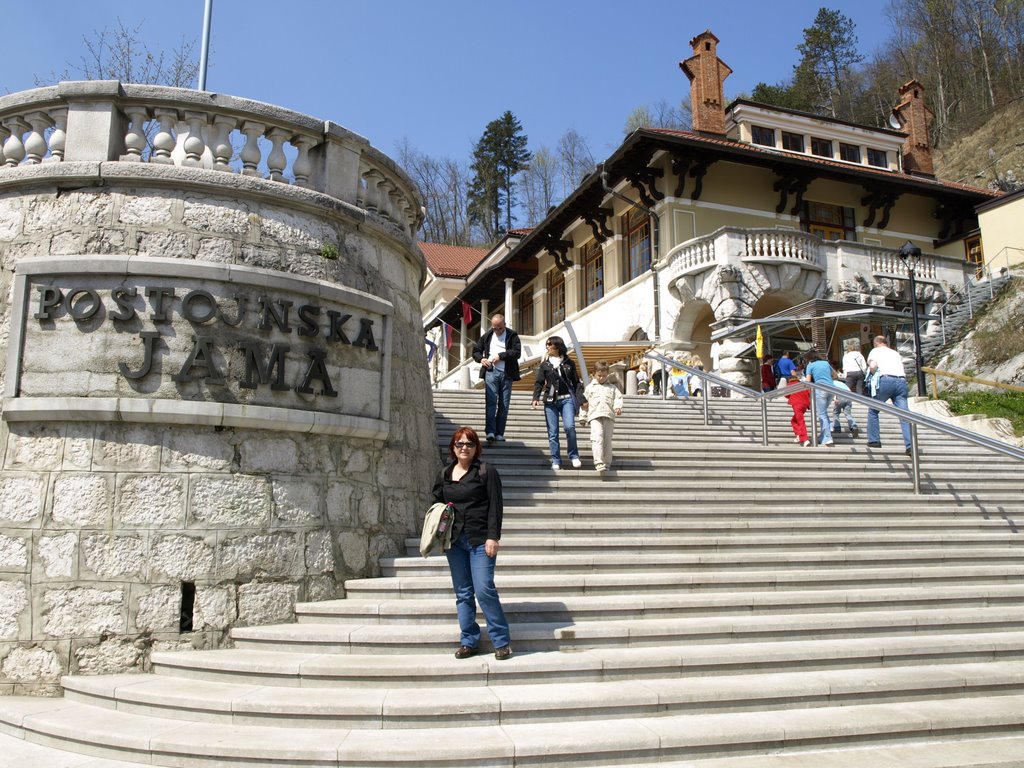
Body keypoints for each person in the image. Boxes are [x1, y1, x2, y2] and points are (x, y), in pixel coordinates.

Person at [431, 426, 512, 660]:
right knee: (463, 592)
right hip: (454, 541)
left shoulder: (486, 472)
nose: (464, 448)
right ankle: (468, 640)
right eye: (460, 444)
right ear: (453, 448)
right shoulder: (444, 474)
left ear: (476, 448)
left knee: (484, 589)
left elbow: (496, 506)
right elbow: (436, 504)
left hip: (480, 539)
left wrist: (493, 536)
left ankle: (501, 641)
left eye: (469, 444)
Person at [531, 336, 585, 470]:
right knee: (553, 432)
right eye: (547, 345)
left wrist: (581, 399)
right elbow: (539, 382)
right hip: (550, 401)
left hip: (567, 399)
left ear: (558, 346)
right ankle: (556, 460)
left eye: (550, 344)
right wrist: (535, 398)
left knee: (570, 427)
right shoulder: (545, 365)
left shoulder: (569, 363)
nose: (548, 347)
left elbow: (576, 382)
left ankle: (574, 456)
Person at [472, 313, 521, 444]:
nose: (497, 331)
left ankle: (500, 433)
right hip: (491, 372)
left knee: (504, 404)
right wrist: (481, 359)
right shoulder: (487, 336)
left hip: (507, 373)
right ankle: (490, 432)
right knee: (491, 401)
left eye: (499, 328)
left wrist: (501, 356)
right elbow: (476, 350)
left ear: (504, 325)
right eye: (494, 328)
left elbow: (517, 353)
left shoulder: (512, 335)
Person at [865, 335, 913, 454]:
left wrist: (871, 373)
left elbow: (873, 366)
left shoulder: (875, 351)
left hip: (885, 380)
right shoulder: (895, 353)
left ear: (876, 343)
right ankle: (910, 445)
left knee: (873, 410)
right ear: (886, 342)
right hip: (901, 381)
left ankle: (874, 440)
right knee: (904, 415)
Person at [581, 361, 623, 473]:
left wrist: (618, 407)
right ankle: (599, 462)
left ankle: (607, 462)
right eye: (599, 375)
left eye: (604, 376)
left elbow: (618, 398)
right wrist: (583, 417)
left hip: (608, 415)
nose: (601, 378)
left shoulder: (612, 388)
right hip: (594, 415)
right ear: (594, 374)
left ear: (607, 374)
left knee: (607, 441)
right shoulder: (590, 388)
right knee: (597, 437)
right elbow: (584, 403)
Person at [803, 349, 836, 447]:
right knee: (823, 413)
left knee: (822, 414)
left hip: (820, 389)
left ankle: (827, 437)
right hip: (831, 388)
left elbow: (808, 381)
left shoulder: (810, 365)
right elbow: (835, 375)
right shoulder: (825, 363)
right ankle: (823, 435)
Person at [780, 373, 810, 447]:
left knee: (800, 421)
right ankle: (798, 436)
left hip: (797, 404)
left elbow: (786, 395)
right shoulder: (802, 385)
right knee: (795, 420)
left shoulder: (790, 385)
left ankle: (805, 438)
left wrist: (792, 396)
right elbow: (809, 393)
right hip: (804, 405)